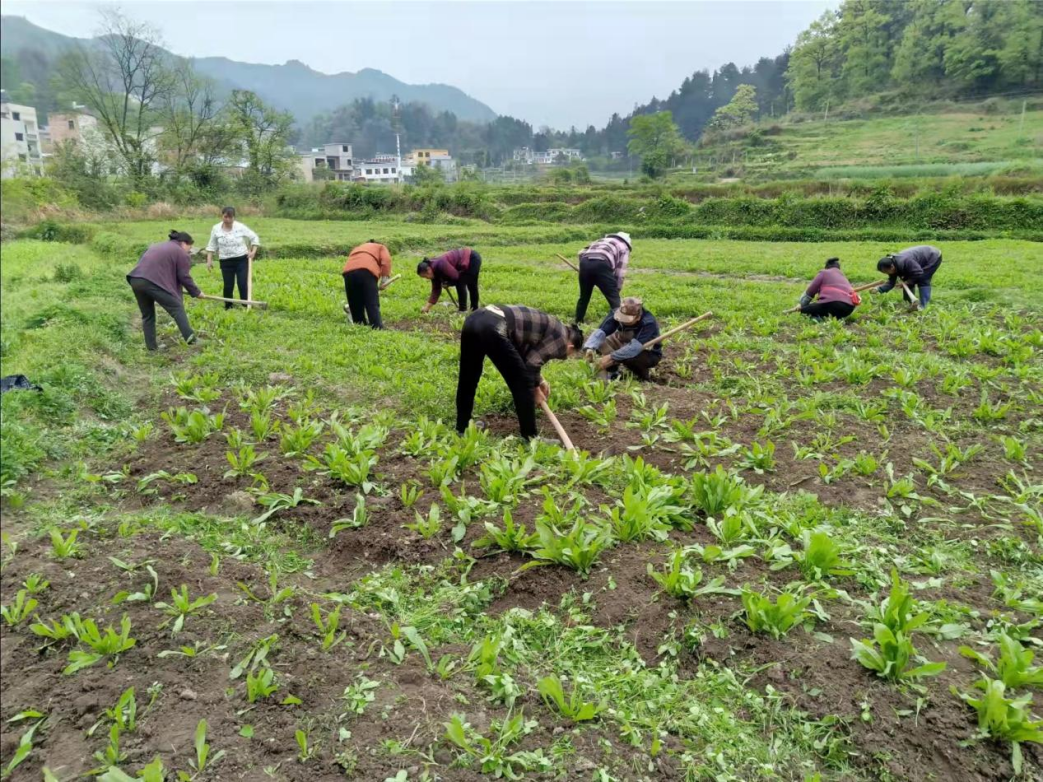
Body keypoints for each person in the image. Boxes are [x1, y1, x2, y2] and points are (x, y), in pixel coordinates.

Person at [456, 305, 583, 440]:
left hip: (475, 319)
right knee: (522, 383)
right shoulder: (562, 340)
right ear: (571, 347)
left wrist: (540, 381)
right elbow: (531, 365)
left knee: (468, 377)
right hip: (494, 326)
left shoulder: (554, 326)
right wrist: (534, 391)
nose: (566, 356)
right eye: (571, 354)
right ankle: (530, 438)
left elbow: (523, 356)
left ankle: (462, 428)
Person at [126, 230, 203, 351]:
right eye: (190, 247)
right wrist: (196, 292)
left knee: (148, 315)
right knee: (177, 308)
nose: (189, 251)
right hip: (152, 282)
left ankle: (152, 348)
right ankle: (192, 340)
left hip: (136, 280)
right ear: (184, 243)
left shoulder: (157, 246)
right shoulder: (180, 252)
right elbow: (184, 276)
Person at [583, 297, 662, 380]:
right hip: (624, 343)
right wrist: (589, 347)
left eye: (627, 320)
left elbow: (634, 348)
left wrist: (610, 357)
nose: (623, 321)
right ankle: (614, 372)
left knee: (629, 358)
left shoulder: (648, 322)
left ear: (638, 317)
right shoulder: (616, 312)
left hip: (646, 351)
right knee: (599, 343)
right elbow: (601, 332)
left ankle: (643, 377)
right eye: (621, 318)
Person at [204, 206, 261, 309]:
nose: (228, 220)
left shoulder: (240, 227)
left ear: (234, 217)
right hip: (225, 261)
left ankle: (245, 304)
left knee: (242, 283)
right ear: (222, 216)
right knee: (228, 285)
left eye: (230, 217)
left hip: (241, 259)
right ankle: (228, 306)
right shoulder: (216, 228)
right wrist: (209, 260)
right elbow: (211, 245)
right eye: (226, 217)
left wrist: (253, 252)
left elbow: (254, 237)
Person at [575, 231, 631, 323]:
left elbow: (581, 253)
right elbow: (620, 272)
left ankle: (578, 322)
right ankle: (622, 325)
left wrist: (585, 268)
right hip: (602, 264)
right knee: (614, 299)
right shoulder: (624, 247)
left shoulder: (600, 240)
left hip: (585, 262)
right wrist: (616, 289)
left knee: (584, 297)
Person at [342, 240, 392, 329]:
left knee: (355, 303)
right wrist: (384, 280)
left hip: (348, 273)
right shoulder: (380, 247)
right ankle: (377, 327)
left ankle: (360, 326)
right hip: (366, 271)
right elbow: (386, 261)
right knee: (371, 303)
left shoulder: (357, 248)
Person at [875, 245, 942, 309]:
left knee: (923, 279)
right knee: (908, 278)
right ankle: (909, 302)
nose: (886, 274)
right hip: (919, 259)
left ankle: (923, 306)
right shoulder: (892, 266)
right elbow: (891, 282)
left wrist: (907, 282)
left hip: (932, 256)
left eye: (886, 272)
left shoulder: (906, 262)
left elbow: (918, 273)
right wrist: (879, 289)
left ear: (892, 267)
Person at [418, 247, 483, 313]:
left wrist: (448, 283)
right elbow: (436, 290)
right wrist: (427, 307)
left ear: (428, 270)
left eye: (425, 276)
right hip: (466, 262)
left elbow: (456, 276)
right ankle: (474, 309)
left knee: (464, 283)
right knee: (469, 284)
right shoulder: (433, 272)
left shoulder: (440, 264)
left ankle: (464, 310)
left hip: (472, 258)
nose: (427, 278)